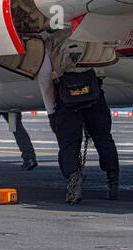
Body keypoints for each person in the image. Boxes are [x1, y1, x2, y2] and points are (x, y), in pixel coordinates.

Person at [38, 29, 120, 204]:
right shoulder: (91, 32)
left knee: (68, 145)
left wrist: (51, 111)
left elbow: (44, 78)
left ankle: (75, 182)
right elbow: (103, 62)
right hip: (94, 93)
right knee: (103, 138)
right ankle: (113, 181)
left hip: (66, 98)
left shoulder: (50, 42)